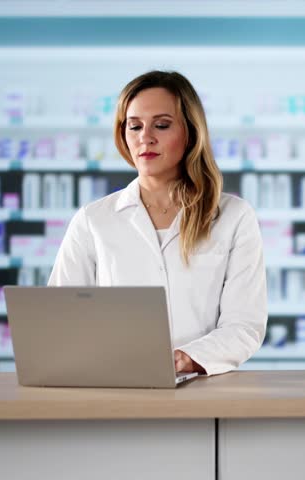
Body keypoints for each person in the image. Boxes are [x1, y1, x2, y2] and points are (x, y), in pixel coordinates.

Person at [48, 70, 267, 376]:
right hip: (115, 384)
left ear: (190, 132)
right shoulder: (93, 220)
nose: (145, 137)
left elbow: (245, 325)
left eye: (162, 125)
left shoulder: (233, 217)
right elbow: (61, 317)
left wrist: (184, 359)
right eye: (134, 126)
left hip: (203, 391)